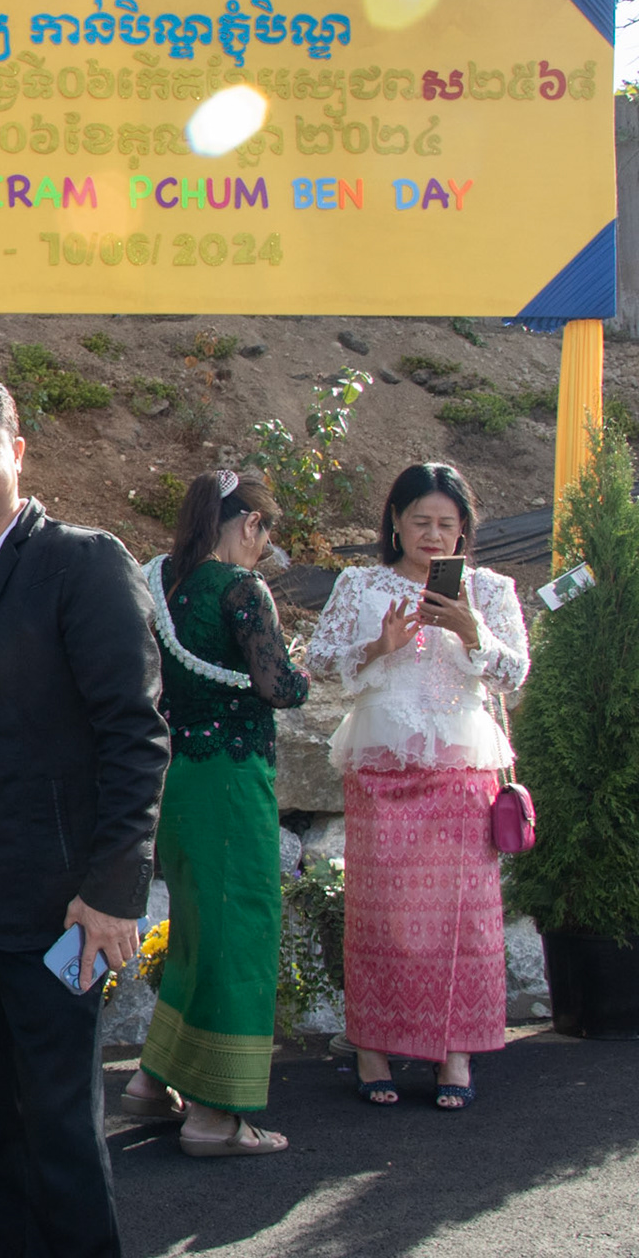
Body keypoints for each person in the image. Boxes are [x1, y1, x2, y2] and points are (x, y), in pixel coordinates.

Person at [0, 369, 167, 1258]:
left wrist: (114, 890)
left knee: (58, 1127)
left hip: (55, 897)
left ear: (15, 450)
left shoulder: (81, 563)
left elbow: (136, 733)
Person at [306, 462, 528, 1110]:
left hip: (462, 769)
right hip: (382, 765)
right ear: (396, 523)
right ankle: (372, 1048)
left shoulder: (489, 590)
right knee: (380, 917)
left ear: (463, 531)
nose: (433, 535)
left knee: (465, 917)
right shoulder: (360, 584)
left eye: (446, 524)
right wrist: (379, 646)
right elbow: (318, 659)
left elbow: (515, 674)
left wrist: (471, 631)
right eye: (420, 521)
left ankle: (456, 1052)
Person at [122, 471, 309, 1156]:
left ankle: (153, 1079)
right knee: (240, 934)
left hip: (181, 780)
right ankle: (216, 1115)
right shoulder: (241, 589)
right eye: (265, 534)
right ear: (250, 524)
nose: (264, 551)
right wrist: (304, 669)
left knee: (197, 932)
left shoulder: (165, 580)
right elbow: (278, 686)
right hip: (233, 779)